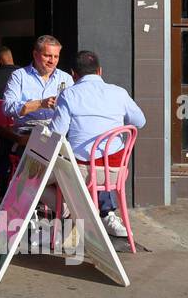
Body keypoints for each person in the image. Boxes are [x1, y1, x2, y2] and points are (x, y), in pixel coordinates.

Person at [50, 50, 146, 239]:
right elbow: (140, 121)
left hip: (82, 173)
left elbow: (56, 134)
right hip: (115, 173)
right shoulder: (119, 93)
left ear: (73, 74)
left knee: (33, 180)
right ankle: (99, 213)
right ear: (100, 71)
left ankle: (72, 211)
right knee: (95, 160)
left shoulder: (68, 95)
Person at [0, 35, 73, 183]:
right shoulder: (19, 76)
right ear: (35, 54)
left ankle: (57, 192)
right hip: (28, 129)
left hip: (57, 130)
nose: (52, 61)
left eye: (56, 56)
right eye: (47, 55)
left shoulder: (66, 78)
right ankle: (31, 192)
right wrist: (39, 104)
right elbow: (7, 107)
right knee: (36, 150)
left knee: (71, 151)